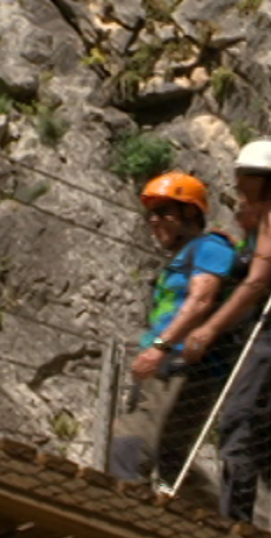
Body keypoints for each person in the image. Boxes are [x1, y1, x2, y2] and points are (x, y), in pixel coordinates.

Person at [180, 140, 271, 529]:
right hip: (261, 334)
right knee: (263, 446)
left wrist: (210, 328)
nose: (237, 180)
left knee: (239, 424)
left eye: (245, 173)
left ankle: (236, 528)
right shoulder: (264, 220)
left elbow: (256, 284)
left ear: (266, 179)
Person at [108, 172, 240, 500]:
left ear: (191, 214)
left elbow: (201, 299)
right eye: (152, 214)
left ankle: (127, 516)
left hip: (181, 362)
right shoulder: (180, 260)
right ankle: (217, 527)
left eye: (165, 212)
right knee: (171, 459)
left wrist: (159, 348)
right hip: (168, 363)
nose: (155, 221)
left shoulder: (210, 247)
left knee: (129, 443)